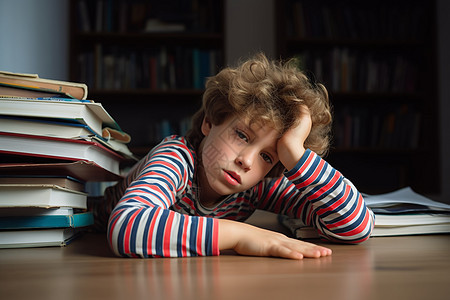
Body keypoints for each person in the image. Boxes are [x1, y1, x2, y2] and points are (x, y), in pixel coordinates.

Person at [92, 53, 374, 259]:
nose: (247, 161)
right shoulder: (177, 157)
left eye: (267, 156)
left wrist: (295, 154)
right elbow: (127, 227)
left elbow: (356, 226)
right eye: (242, 135)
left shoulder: (256, 184)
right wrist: (240, 235)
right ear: (209, 122)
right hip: (88, 237)